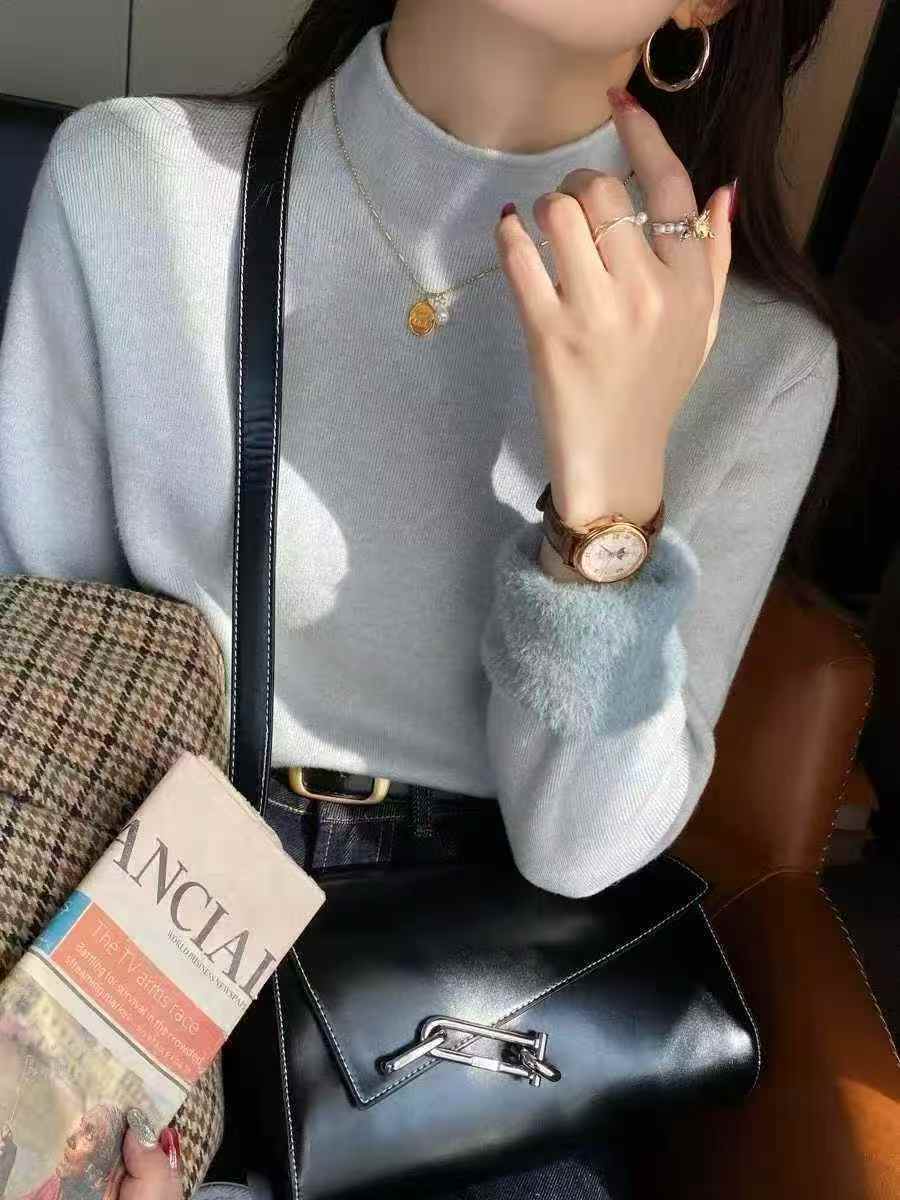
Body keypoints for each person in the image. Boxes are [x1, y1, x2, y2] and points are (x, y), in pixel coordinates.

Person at [0, 0, 862, 1197]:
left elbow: (581, 850)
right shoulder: (134, 182)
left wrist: (611, 493)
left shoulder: (758, 359)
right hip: (141, 910)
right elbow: (46, 692)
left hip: (463, 1047)